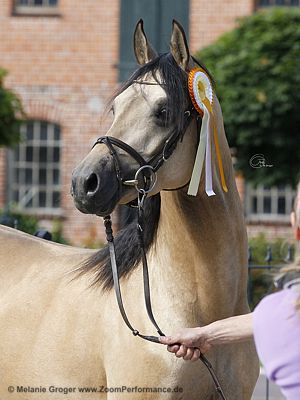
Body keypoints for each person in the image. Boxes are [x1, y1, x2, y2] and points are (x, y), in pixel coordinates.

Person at [160, 182, 300, 400]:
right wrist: (204, 334)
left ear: (294, 225)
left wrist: (204, 334)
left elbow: (268, 318)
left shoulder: (278, 318)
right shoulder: (278, 314)